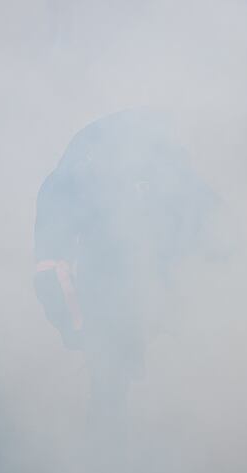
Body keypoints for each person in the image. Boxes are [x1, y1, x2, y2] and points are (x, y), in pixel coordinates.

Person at [34, 109, 214, 409]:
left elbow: (217, 231)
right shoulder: (77, 177)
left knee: (117, 384)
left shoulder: (166, 169)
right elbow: (50, 270)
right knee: (112, 381)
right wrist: (77, 328)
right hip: (110, 296)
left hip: (141, 294)